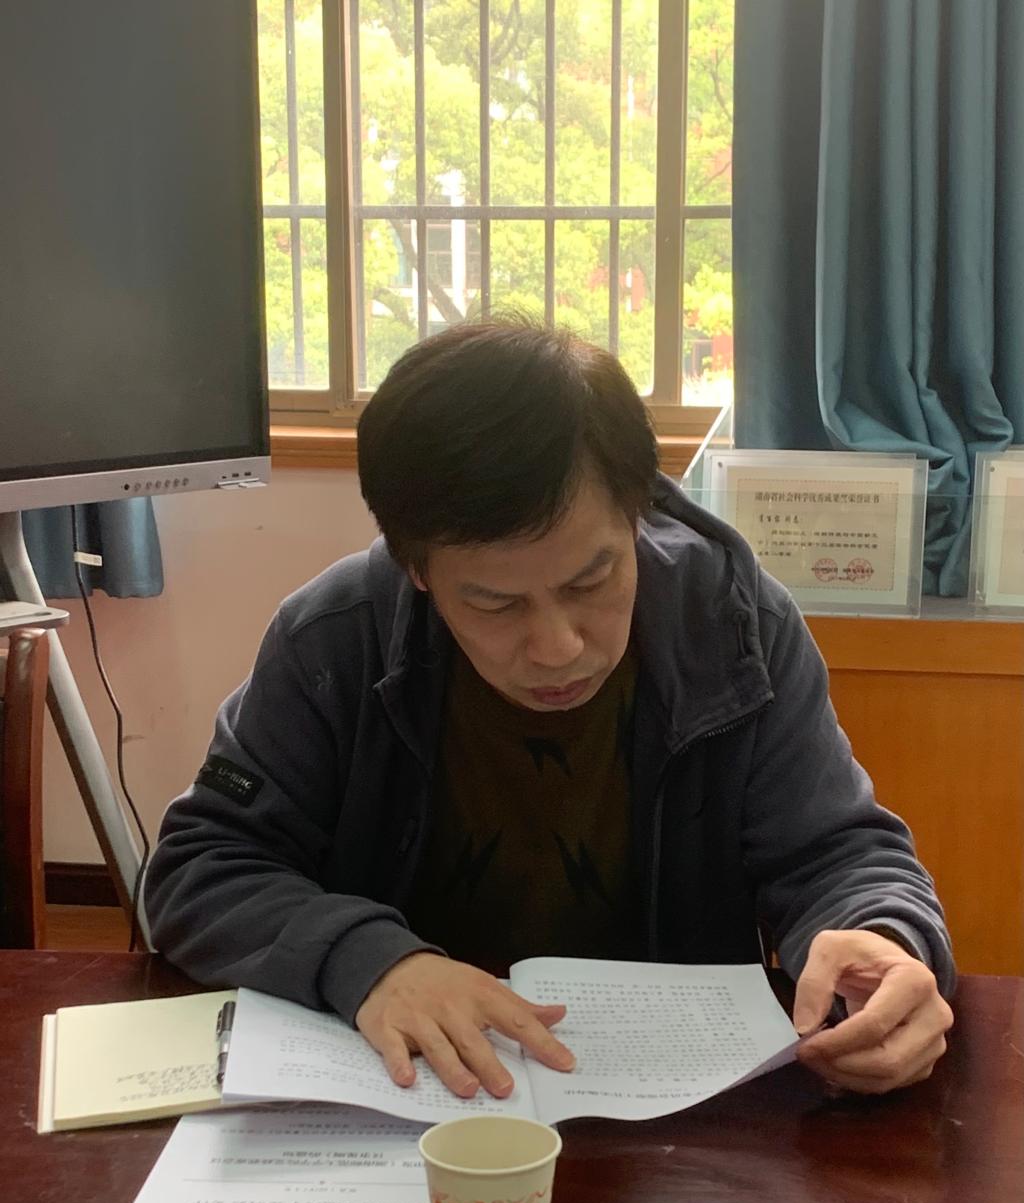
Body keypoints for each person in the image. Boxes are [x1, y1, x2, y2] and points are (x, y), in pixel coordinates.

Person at [146, 320, 955, 1101]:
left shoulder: (734, 627)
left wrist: (882, 936)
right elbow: (201, 866)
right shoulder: (335, 640)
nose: (559, 646)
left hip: (673, 1113)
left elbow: (837, 852)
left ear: (638, 513)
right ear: (416, 571)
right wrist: (371, 962)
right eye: (496, 604)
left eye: (591, 581)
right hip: (422, 1100)